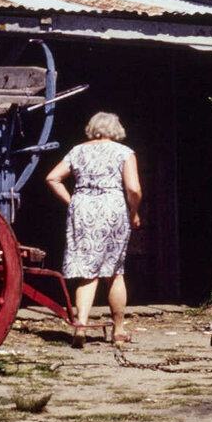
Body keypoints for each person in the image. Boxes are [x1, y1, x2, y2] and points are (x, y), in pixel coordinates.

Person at [45, 111, 142, 347]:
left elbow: (52, 178)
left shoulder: (78, 150)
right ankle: (118, 330)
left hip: (83, 209)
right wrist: (134, 211)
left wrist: (73, 202)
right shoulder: (124, 153)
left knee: (87, 272)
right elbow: (133, 189)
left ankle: (81, 328)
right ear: (116, 130)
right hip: (113, 210)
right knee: (114, 271)